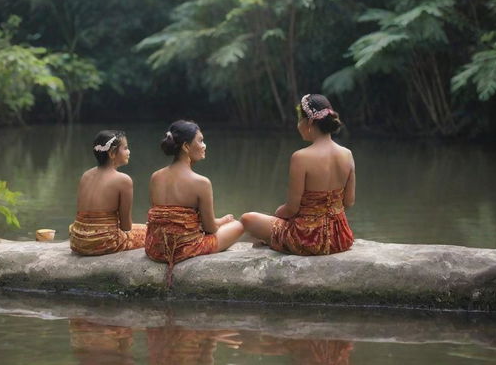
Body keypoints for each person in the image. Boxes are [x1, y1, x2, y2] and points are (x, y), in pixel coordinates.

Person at [241, 94, 355, 255]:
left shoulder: (301, 157)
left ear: (309, 122)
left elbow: (291, 209)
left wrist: (278, 213)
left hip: (307, 239)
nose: (298, 124)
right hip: (339, 238)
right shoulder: (347, 154)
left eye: (299, 119)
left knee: (248, 219)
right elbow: (349, 202)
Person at [145, 120, 244, 281]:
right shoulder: (201, 182)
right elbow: (210, 229)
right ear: (185, 146)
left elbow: (166, 220)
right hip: (184, 249)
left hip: (155, 250)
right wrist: (220, 223)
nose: (204, 145)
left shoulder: (155, 177)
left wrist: (220, 220)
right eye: (200, 140)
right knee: (242, 223)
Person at [69, 130, 146, 255]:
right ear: (111, 153)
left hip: (78, 240)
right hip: (103, 242)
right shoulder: (123, 180)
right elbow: (126, 227)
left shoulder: (86, 175)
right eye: (125, 148)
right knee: (148, 231)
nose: (129, 152)